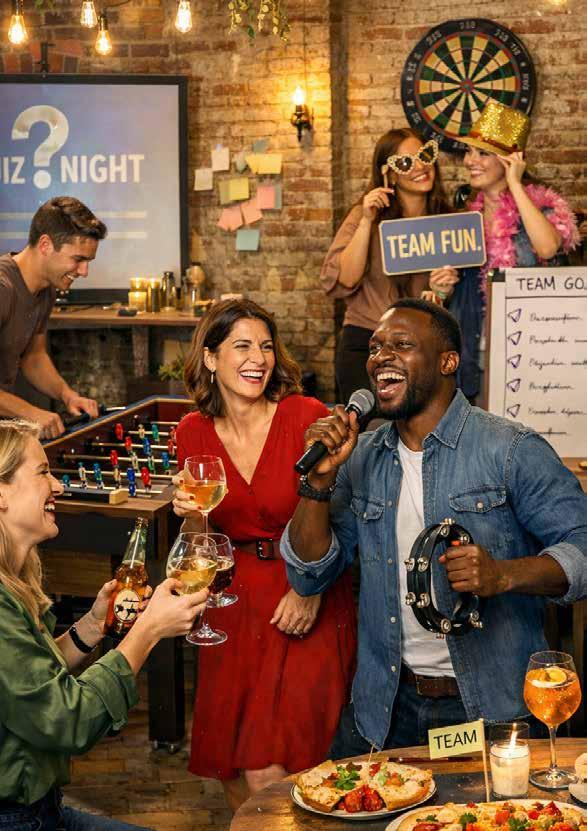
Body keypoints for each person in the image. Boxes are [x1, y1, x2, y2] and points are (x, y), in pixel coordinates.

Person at [281, 298, 587, 757]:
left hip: (490, 707)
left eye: (401, 345)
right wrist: (318, 484)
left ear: (448, 361)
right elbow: (308, 574)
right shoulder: (360, 457)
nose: (381, 357)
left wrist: (503, 575)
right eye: (375, 347)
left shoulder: (509, 449)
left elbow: (582, 545)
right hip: (388, 706)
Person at [172, 299, 357, 811]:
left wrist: (310, 587)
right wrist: (189, 513)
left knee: (276, 771)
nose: (258, 358)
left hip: (304, 596)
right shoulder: (190, 432)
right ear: (210, 358)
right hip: (234, 605)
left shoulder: (306, 417)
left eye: (266, 346)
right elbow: (202, 538)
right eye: (242, 346)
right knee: (235, 769)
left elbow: (347, 518)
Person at [0, 418, 208, 829]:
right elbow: (69, 720)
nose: (58, 486)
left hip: (43, 810)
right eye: (43, 473)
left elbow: (29, 681)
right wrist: (148, 630)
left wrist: (92, 626)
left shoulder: (13, 581)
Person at [430, 102, 580, 401]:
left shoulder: (541, 209)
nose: (470, 161)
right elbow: (450, 293)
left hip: (528, 352)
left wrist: (515, 183)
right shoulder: (464, 221)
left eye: (482, 153)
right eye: (469, 152)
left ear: (511, 159)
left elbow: (548, 247)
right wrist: (440, 289)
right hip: (472, 354)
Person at [320, 127, 458, 403]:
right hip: (366, 343)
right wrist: (367, 220)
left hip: (419, 347)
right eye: (406, 162)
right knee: (370, 425)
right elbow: (346, 278)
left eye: (425, 155)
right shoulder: (365, 216)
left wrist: (441, 291)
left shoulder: (447, 221)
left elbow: (447, 298)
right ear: (390, 174)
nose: (420, 166)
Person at [0, 196, 107, 439]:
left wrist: (67, 395)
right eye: (78, 259)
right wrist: (30, 413)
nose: (84, 272)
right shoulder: (3, 288)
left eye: (88, 261)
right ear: (46, 245)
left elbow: (33, 357)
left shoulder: (46, 289)